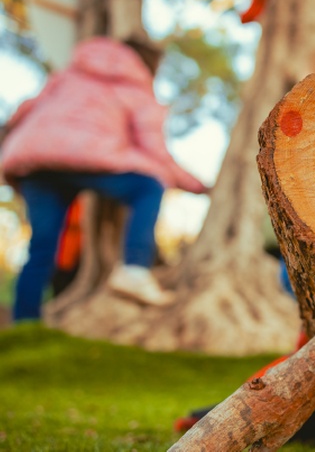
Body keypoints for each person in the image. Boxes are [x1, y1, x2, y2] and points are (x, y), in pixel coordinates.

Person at [0, 36, 208, 322]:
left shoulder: (71, 73)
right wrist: (198, 186)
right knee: (148, 185)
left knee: (41, 248)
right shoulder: (136, 86)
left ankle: (25, 323)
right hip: (87, 158)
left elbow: (24, 110)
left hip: (35, 161)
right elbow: (155, 152)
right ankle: (134, 268)